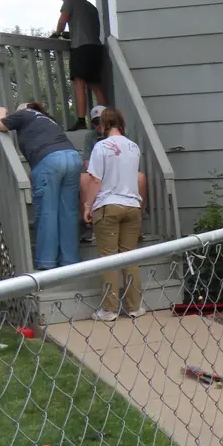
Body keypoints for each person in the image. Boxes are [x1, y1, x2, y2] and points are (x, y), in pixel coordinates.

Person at [0, 102, 82, 270]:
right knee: (68, 212)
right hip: (72, 157)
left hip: (50, 161)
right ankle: (70, 261)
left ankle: (47, 262)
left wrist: (2, 111)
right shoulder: (49, 120)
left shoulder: (24, 113)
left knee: (47, 211)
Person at [83, 108, 145, 321]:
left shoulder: (100, 147)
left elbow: (95, 180)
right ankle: (135, 307)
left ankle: (109, 310)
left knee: (109, 259)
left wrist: (87, 206)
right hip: (132, 206)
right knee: (130, 257)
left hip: (108, 205)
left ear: (103, 124)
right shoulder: (134, 147)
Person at [52, 0, 107, 131]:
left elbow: (63, 20)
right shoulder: (90, 7)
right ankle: (106, 118)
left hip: (81, 48)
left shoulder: (70, 1)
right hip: (95, 48)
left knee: (79, 83)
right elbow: (87, 28)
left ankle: (81, 121)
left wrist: (57, 34)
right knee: (96, 85)